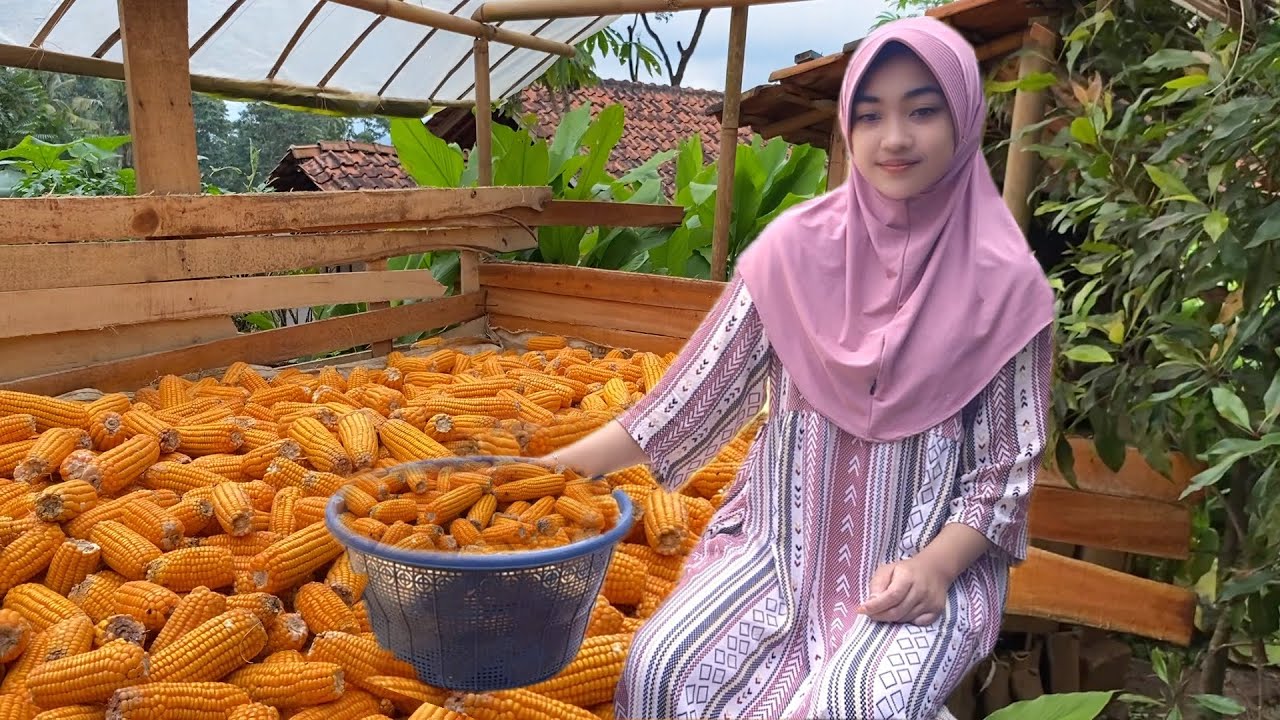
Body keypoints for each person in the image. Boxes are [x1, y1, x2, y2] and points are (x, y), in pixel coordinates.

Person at [542, 15, 1055, 720]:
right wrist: (550, 473)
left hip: (919, 568)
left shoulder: (1007, 291)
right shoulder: (793, 254)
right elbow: (688, 402)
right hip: (774, 550)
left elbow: (1004, 474)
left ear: (964, 121)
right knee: (660, 671)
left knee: (853, 705)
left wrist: (935, 569)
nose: (893, 138)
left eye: (922, 112)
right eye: (870, 115)